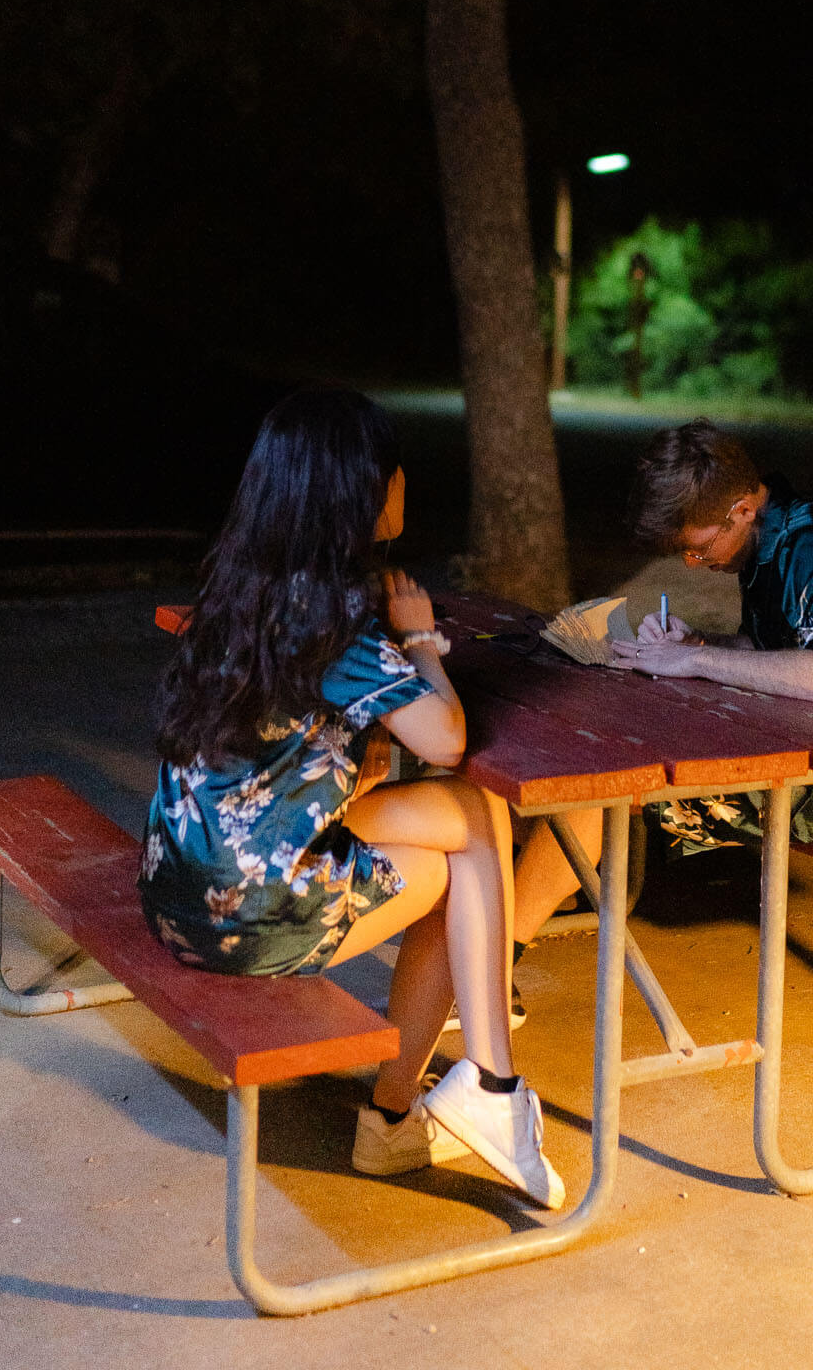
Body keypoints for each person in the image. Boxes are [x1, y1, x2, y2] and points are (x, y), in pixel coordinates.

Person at [137, 386, 563, 1209]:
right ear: (364, 491)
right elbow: (445, 738)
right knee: (465, 861)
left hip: (178, 883)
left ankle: (472, 1093)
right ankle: (441, 1101)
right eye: (393, 470)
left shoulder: (243, 583)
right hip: (245, 912)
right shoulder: (329, 615)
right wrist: (422, 640)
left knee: (474, 818)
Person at [509, 417, 813, 938]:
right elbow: (773, 653)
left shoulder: (812, 544)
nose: (693, 563)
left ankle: (497, 955)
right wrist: (698, 644)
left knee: (604, 789)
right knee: (579, 766)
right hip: (803, 747)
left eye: (698, 550)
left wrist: (695, 663)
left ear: (742, 509)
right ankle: (532, 902)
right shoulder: (773, 531)